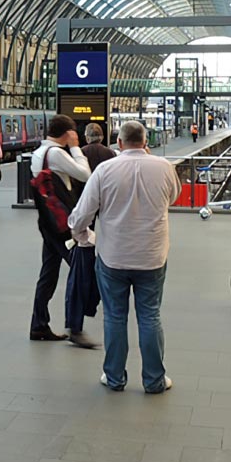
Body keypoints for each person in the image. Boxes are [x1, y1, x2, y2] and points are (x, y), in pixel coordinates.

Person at [69, 121, 181, 393]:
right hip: (152, 256)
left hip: (112, 257)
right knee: (150, 316)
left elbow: (81, 215)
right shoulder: (164, 168)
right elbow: (173, 197)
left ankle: (115, 377)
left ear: (119, 143)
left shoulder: (105, 170)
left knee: (115, 316)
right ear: (145, 143)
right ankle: (154, 380)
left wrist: (84, 237)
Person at [29, 115, 92, 342]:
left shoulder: (39, 152)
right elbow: (86, 175)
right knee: (79, 271)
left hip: (48, 221)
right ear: (67, 133)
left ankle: (39, 325)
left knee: (48, 273)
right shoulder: (55, 153)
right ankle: (74, 328)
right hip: (61, 224)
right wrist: (75, 148)